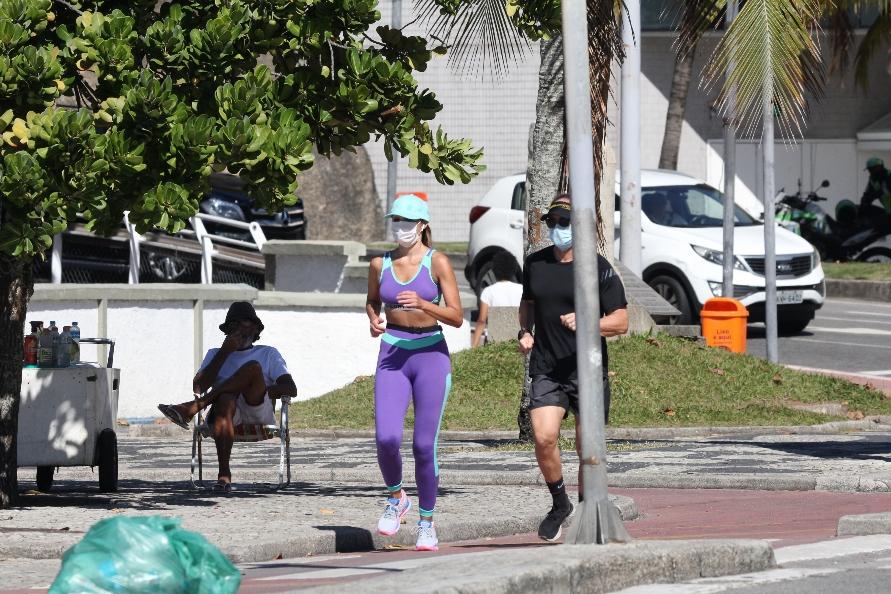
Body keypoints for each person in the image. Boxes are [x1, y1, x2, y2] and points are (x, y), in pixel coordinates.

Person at [517, 194, 628, 542]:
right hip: (547, 366)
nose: (557, 229)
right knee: (544, 435)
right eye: (553, 223)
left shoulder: (597, 267)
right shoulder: (535, 264)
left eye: (564, 223)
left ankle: (586, 509)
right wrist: (524, 331)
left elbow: (622, 321)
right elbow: (528, 302)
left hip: (587, 370)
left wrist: (588, 322)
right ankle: (559, 502)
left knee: (586, 448)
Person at [366, 193, 463, 551]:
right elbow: (372, 300)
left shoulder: (437, 263)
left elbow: (456, 316)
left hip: (430, 354)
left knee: (424, 445)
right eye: (396, 221)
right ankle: (396, 497)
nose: (401, 228)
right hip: (392, 351)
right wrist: (374, 319)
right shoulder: (380, 263)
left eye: (407, 222)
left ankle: (427, 522)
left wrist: (424, 303)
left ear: (422, 226)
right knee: (386, 438)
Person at [157, 301, 296, 492]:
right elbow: (198, 386)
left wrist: (258, 389)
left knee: (253, 367)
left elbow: (290, 387)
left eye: (245, 322)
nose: (239, 328)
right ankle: (224, 475)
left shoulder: (268, 353)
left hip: (256, 408)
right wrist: (224, 352)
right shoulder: (215, 353)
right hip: (225, 413)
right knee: (226, 397)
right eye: (234, 324)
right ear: (227, 330)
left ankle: (193, 407)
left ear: (256, 328)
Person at [471, 251, 523, 347]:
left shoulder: (488, 291)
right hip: (516, 341)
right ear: (513, 269)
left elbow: (482, 321)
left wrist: (473, 346)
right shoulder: (521, 290)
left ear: (494, 270)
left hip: (495, 342)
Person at [860, 157, 891, 224]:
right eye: (869, 170)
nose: (871, 172)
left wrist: (877, 194)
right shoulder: (873, 180)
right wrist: (864, 202)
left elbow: (887, 189)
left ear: (880, 167)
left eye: (873, 169)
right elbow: (867, 194)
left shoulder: (889, 175)